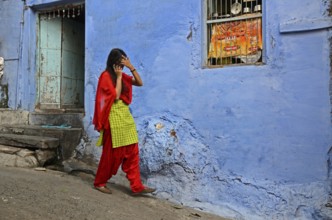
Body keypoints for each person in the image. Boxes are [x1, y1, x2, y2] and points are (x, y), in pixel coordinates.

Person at [93, 48, 155, 195]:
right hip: (113, 117)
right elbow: (115, 96)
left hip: (125, 116)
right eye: (120, 61)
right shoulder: (106, 76)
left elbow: (140, 83)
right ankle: (99, 182)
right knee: (112, 154)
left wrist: (131, 67)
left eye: (124, 60)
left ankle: (137, 186)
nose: (122, 64)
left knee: (133, 151)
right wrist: (119, 77)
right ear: (113, 62)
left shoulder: (124, 74)